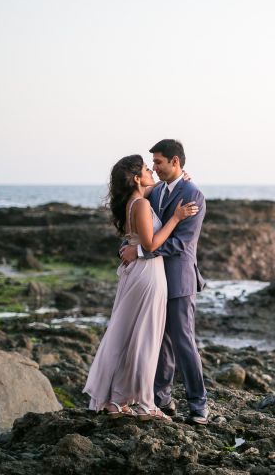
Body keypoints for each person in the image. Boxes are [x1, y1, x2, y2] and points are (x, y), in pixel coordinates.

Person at [83, 154, 199, 420]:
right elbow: (151, 245)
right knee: (146, 339)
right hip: (148, 274)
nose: (153, 172)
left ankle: (116, 400)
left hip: (139, 274)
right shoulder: (142, 206)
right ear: (137, 178)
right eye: (148, 169)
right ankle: (146, 403)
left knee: (130, 336)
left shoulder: (133, 202)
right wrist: (176, 218)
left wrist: (182, 179)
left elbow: (159, 188)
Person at [119, 139, 209, 425]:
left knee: (183, 342)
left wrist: (141, 252)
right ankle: (162, 399)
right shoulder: (155, 191)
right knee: (161, 342)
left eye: (158, 162)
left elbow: (182, 244)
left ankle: (199, 406)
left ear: (175, 162)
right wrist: (126, 246)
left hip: (179, 279)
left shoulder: (193, 194)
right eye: (152, 164)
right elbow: (139, 224)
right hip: (154, 279)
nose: (154, 168)